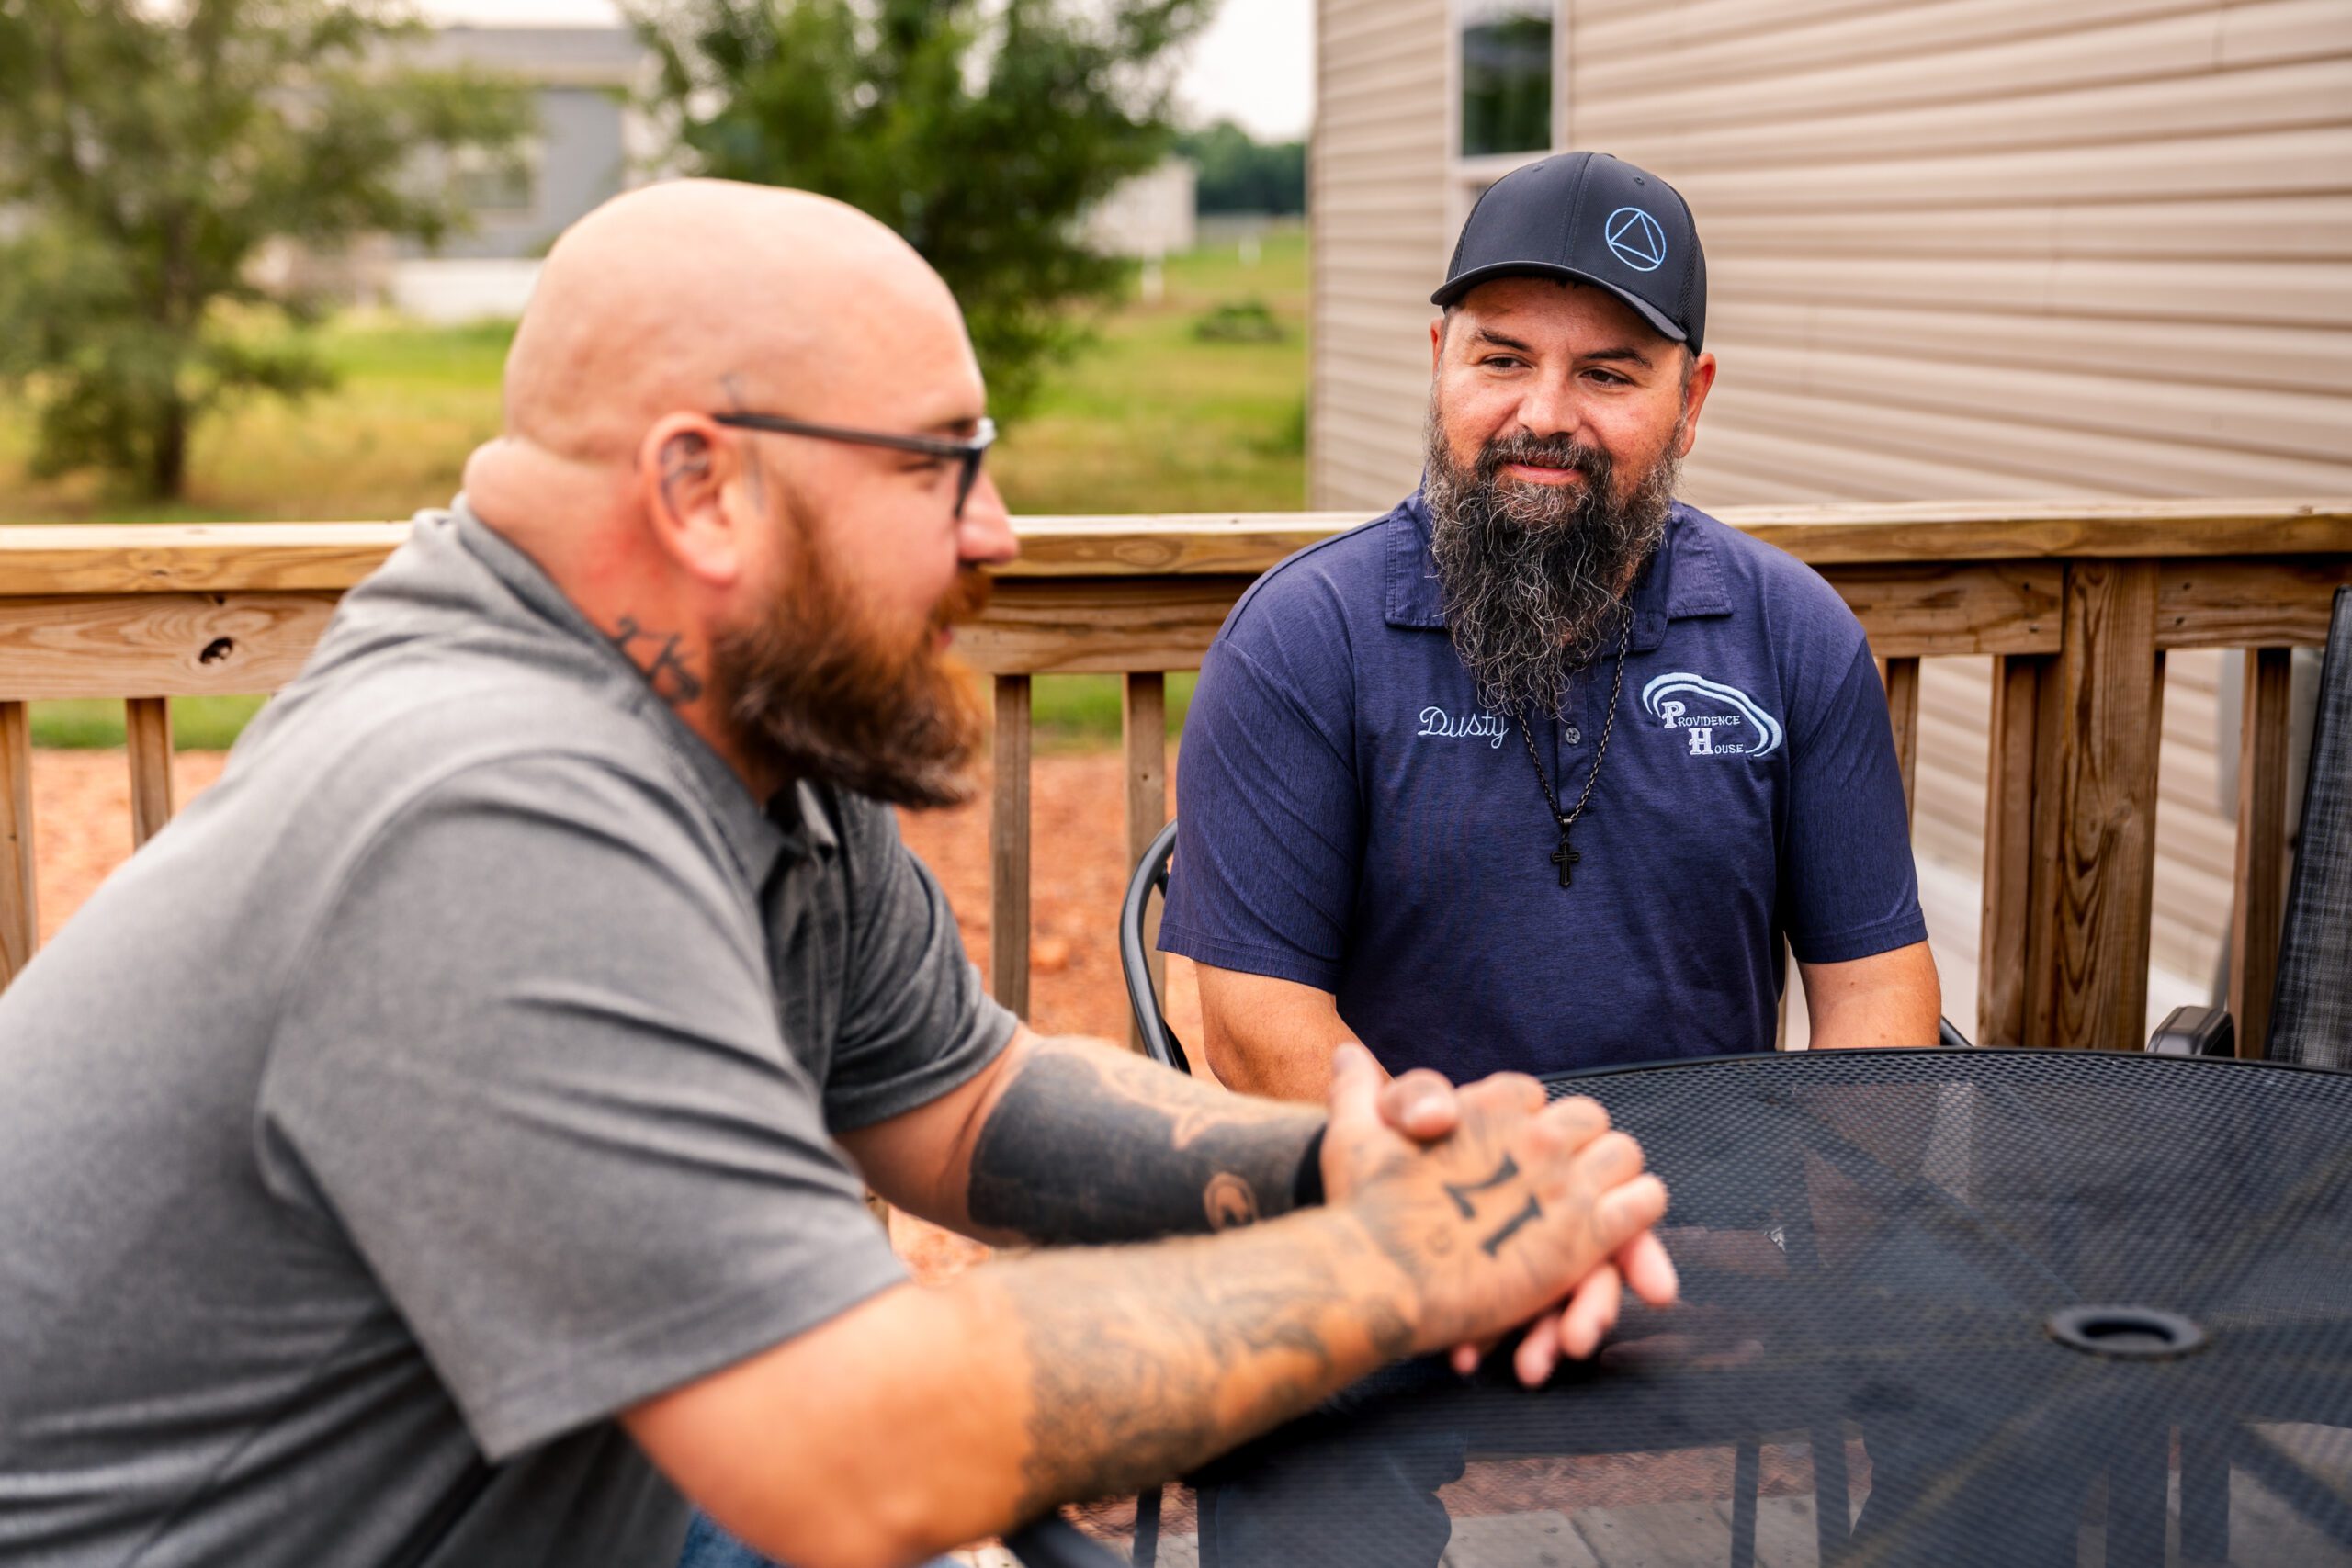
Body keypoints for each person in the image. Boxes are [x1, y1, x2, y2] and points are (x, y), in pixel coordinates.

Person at [0, 181, 1679, 1568]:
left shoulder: (739, 721)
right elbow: (849, 1451)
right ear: (701, 485)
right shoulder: (490, 810)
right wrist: (1411, 1265)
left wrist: (1341, 1158)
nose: (998, 528)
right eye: (938, 462)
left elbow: (960, 1101)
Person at [1162, 151, 1940, 1099]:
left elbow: (1874, 994)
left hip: (1715, 1222)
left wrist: (1830, 1236)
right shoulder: (1300, 639)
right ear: (1439, 360)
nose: (1542, 414)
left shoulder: (1794, 634)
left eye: (1607, 375)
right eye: (1501, 358)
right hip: (1405, 1214)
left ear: (1689, 402)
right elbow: (1255, 1022)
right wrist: (1486, 1208)